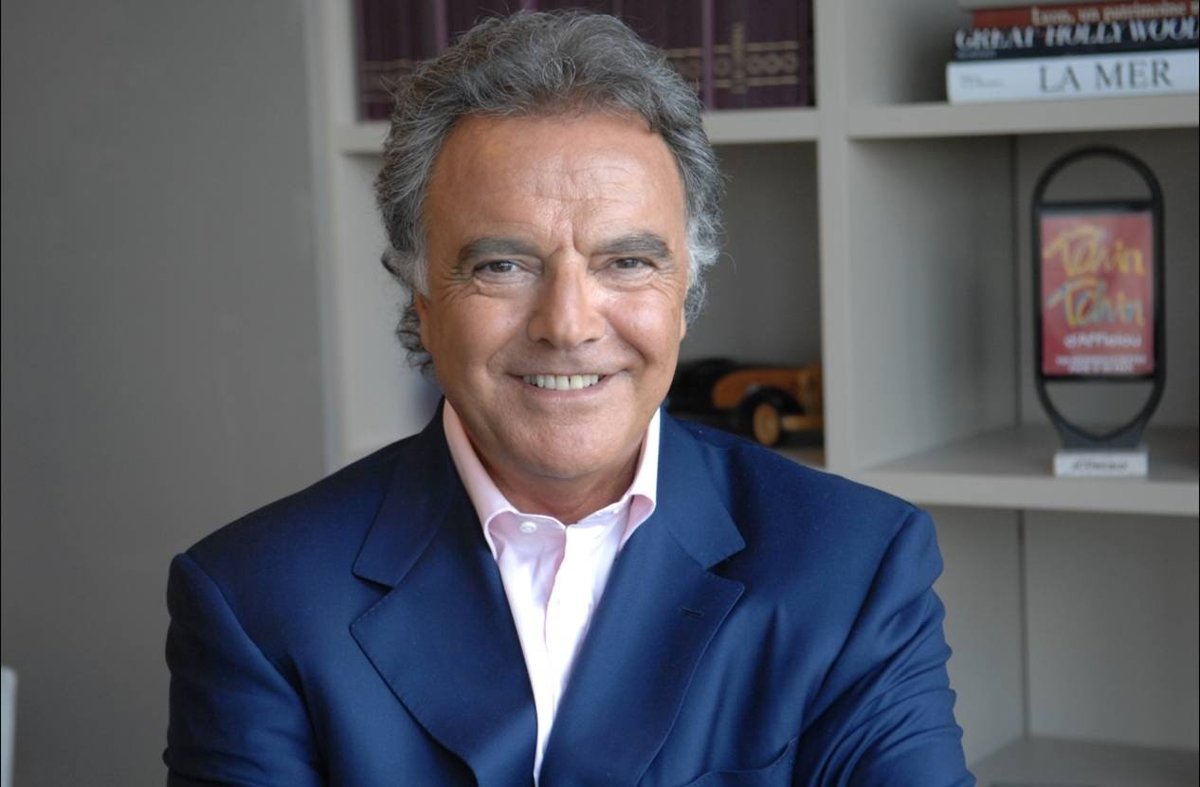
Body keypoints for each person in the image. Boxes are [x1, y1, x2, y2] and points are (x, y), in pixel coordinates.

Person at [164, 11, 973, 787]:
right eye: (502, 265)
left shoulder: (855, 565)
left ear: (685, 292)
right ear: (423, 298)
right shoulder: (257, 598)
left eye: (627, 262)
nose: (568, 324)